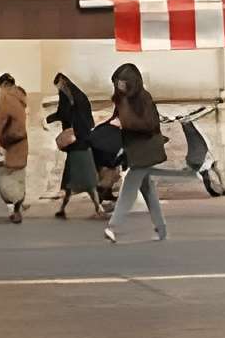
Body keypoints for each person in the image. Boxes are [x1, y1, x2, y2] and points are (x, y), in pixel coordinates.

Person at [105, 64, 168, 244]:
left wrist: (125, 124)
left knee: (129, 189)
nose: (119, 86)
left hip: (145, 150)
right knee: (148, 191)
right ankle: (161, 229)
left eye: (122, 82)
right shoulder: (121, 99)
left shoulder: (143, 98)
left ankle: (113, 227)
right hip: (133, 149)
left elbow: (149, 125)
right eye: (117, 82)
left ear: (131, 82)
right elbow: (117, 118)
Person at [48, 72, 103, 221]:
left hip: (79, 144)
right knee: (75, 180)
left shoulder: (77, 100)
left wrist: (77, 132)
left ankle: (97, 208)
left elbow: (71, 117)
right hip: (79, 145)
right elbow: (63, 113)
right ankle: (64, 209)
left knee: (81, 180)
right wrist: (49, 118)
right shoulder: (74, 98)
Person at [0, 74, 30, 224]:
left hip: (11, 144)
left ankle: (16, 203)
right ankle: (17, 208)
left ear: (5, 85)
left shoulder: (6, 101)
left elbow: (0, 122)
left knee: (3, 177)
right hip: (22, 143)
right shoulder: (21, 99)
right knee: (18, 177)